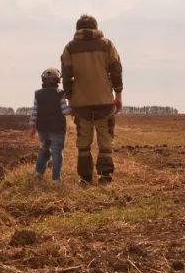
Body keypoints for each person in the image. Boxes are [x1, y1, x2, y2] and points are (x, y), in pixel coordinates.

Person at [61, 14, 123, 185]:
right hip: (104, 101)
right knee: (105, 140)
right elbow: (116, 70)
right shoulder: (107, 45)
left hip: (81, 104)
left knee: (83, 143)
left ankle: (85, 178)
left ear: (77, 29)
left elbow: (66, 76)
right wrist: (118, 94)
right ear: (95, 27)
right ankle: (105, 177)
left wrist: (70, 99)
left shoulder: (70, 48)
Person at [29, 67, 70, 182]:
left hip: (42, 128)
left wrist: (32, 127)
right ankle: (56, 179)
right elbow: (65, 111)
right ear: (58, 80)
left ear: (43, 80)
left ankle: (38, 173)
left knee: (43, 149)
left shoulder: (38, 94)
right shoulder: (60, 94)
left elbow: (34, 112)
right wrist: (73, 108)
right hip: (57, 128)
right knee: (57, 152)